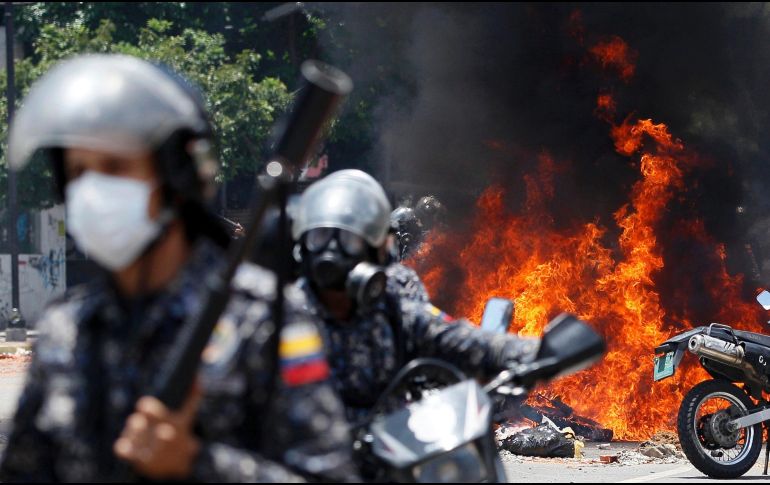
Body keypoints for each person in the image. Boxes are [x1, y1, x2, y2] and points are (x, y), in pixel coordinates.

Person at [0, 54, 356, 482]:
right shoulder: (65, 328)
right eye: (78, 172)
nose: (92, 190)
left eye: (116, 167)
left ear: (175, 177)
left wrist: (199, 463)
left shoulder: (264, 320)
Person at [290, 169, 539, 426]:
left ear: (376, 252)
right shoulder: (276, 316)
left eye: (349, 240)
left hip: (384, 452)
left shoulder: (393, 311)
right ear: (301, 247)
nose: (332, 252)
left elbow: (455, 338)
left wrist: (538, 352)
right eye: (319, 237)